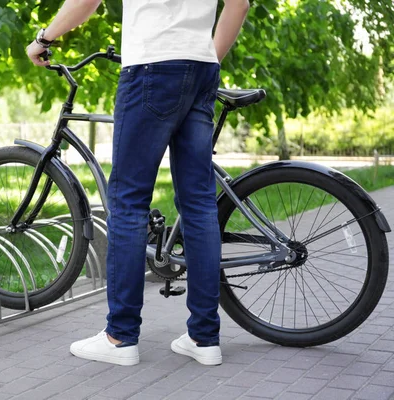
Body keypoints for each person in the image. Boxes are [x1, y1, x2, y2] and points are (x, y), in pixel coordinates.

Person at [27, 0, 250, 366]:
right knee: (198, 204)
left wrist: (44, 37)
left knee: (128, 203)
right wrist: (205, 57)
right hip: (202, 68)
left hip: (152, 65)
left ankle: (120, 336)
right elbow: (239, 5)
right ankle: (205, 338)